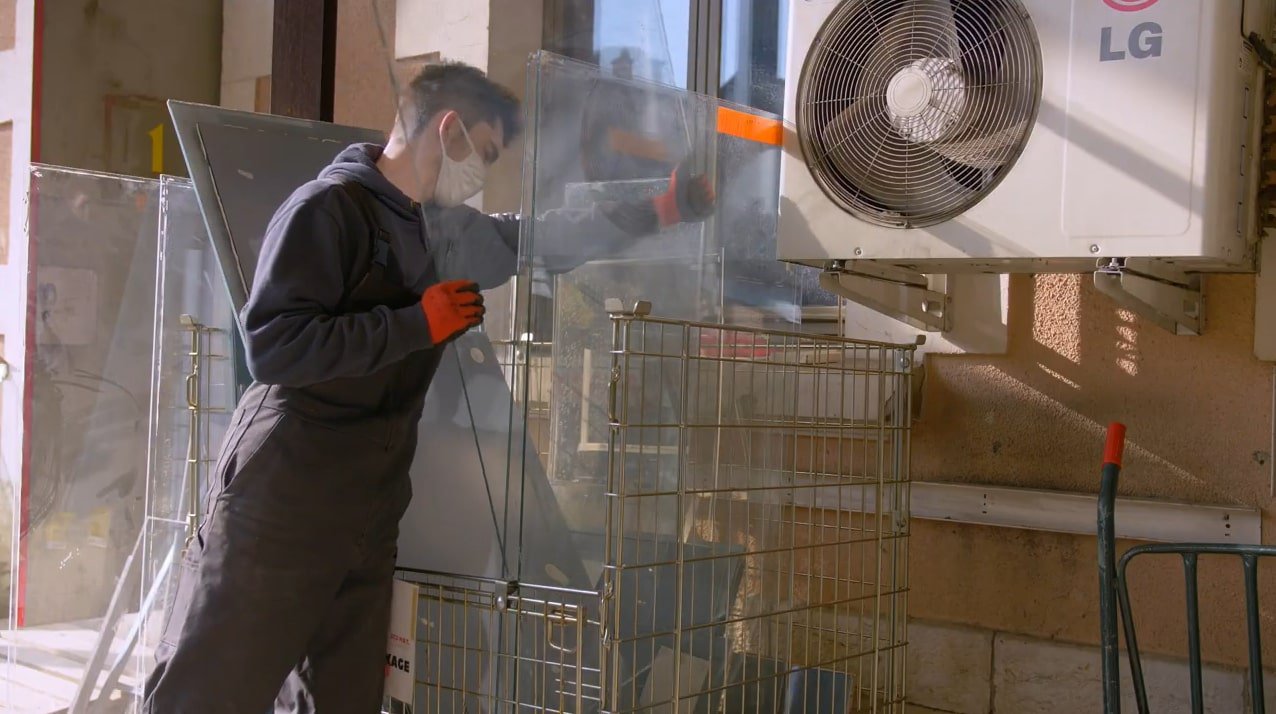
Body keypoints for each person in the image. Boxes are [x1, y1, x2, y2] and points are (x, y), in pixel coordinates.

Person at [142, 60, 715, 713]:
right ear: (448, 130)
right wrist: (418, 323)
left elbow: (538, 239)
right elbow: (275, 345)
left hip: (369, 506)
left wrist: (661, 209)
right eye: (486, 151)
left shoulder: (441, 230)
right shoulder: (327, 210)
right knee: (208, 692)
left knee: (342, 699)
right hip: (283, 499)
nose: (484, 169)